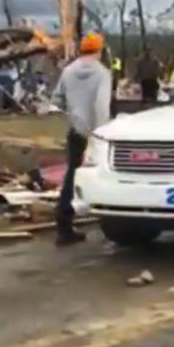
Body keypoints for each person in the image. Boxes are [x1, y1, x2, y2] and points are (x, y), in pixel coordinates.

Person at [51, 33, 112, 246]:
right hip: (97, 133)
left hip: (76, 130)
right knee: (106, 175)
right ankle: (111, 222)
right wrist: (101, 132)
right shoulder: (102, 73)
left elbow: (56, 99)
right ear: (99, 50)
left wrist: (73, 113)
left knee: (72, 175)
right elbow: (102, 106)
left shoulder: (68, 71)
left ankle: (64, 225)